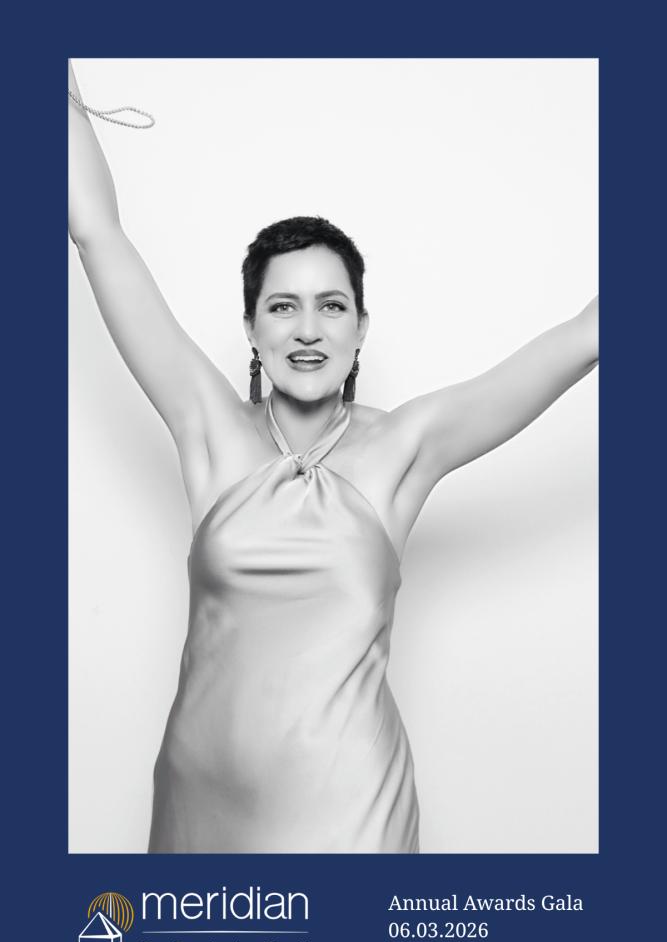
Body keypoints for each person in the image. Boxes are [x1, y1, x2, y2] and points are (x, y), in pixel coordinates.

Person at [69, 62, 598, 853]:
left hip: (352, 816)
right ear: (251, 330)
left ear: (359, 329)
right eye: (282, 306)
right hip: (199, 810)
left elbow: (588, 334)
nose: (308, 330)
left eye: (331, 306)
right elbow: (96, 230)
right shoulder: (210, 430)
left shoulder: (403, 447)